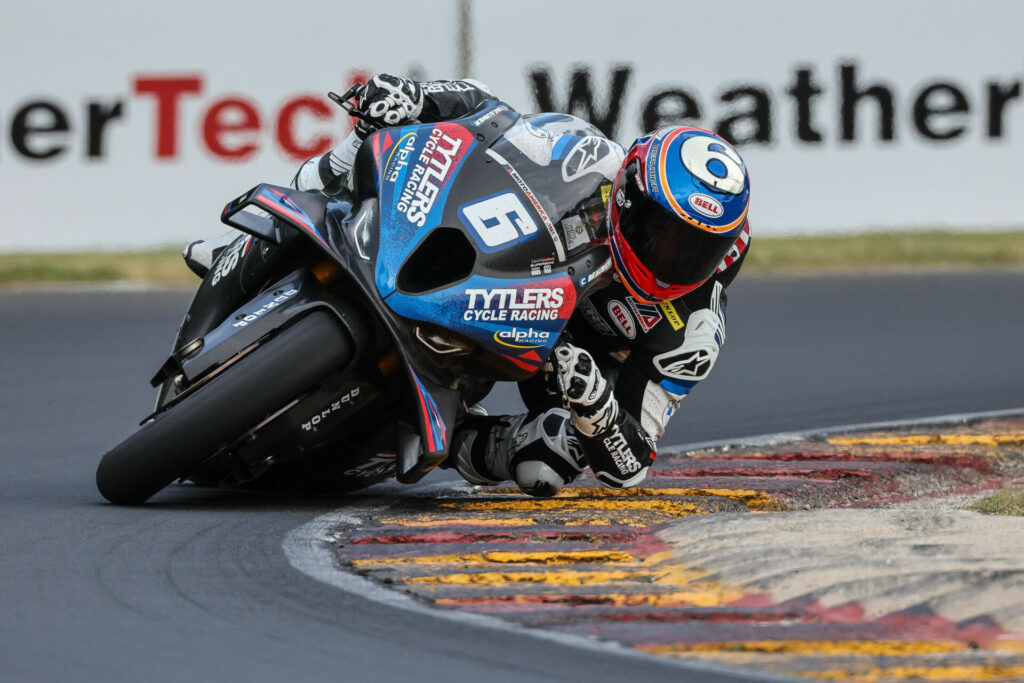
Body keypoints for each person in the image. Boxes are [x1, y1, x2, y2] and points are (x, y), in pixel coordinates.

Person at [188, 74, 751, 497]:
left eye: (695, 249)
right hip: (499, 274)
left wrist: (596, 404)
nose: (672, 256)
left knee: (548, 462)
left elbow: (632, 465)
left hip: (547, 362)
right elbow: (489, 115)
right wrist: (415, 99)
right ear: (629, 193)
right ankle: (275, 238)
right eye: (663, 232)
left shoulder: (695, 329)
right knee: (372, 138)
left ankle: (450, 440)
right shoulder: (588, 156)